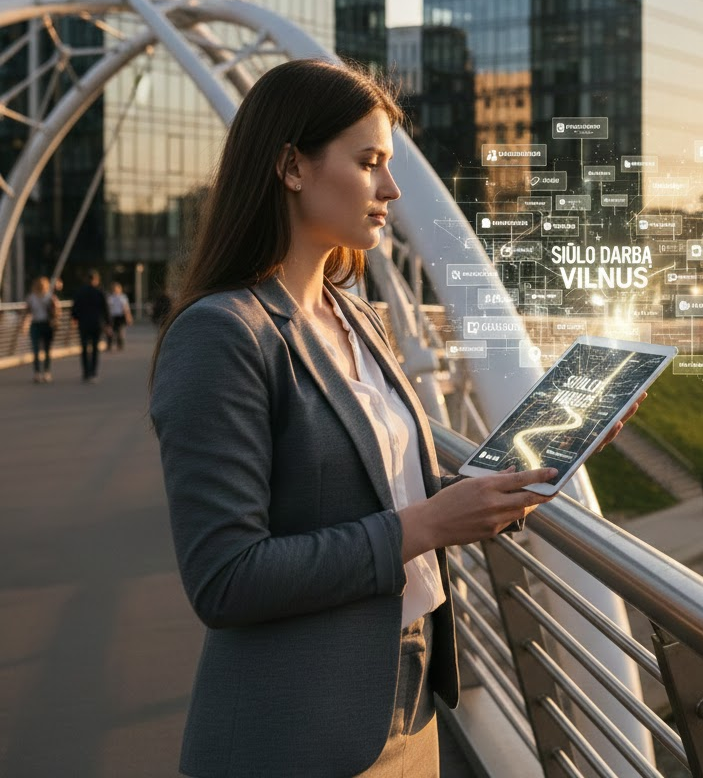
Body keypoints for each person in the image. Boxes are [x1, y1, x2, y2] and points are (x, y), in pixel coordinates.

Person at [149, 59, 644, 778]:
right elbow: (225, 576)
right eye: (369, 162)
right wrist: (428, 528)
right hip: (297, 734)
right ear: (292, 165)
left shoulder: (354, 316)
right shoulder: (223, 334)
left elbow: (385, 484)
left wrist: (550, 449)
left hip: (409, 697)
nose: (391, 187)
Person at [71, 269, 110, 382]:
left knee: (84, 348)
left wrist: (75, 319)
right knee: (94, 348)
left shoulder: (80, 292)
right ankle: (93, 372)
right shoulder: (100, 292)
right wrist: (108, 324)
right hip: (96, 324)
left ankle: (85, 373)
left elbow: (75, 309)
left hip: (83, 324)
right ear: (96, 280)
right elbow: (105, 309)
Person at [22, 275, 60, 383]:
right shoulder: (31, 297)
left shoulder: (49, 297)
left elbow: (56, 311)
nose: (40, 286)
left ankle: (46, 372)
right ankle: (37, 373)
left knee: (47, 350)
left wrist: (54, 308)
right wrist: (25, 324)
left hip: (47, 324)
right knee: (35, 350)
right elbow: (27, 312)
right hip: (35, 324)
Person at [106, 281, 133, 350]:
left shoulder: (122, 297)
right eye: (114, 288)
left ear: (120, 289)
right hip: (112, 317)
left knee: (120, 332)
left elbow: (126, 308)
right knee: (110, 331)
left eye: (117, 288)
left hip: (120, 316)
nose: (115, 290)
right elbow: (108, 308)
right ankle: (109, 345)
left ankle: (120, 345)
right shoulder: (110, 297)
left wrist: (128, 317)